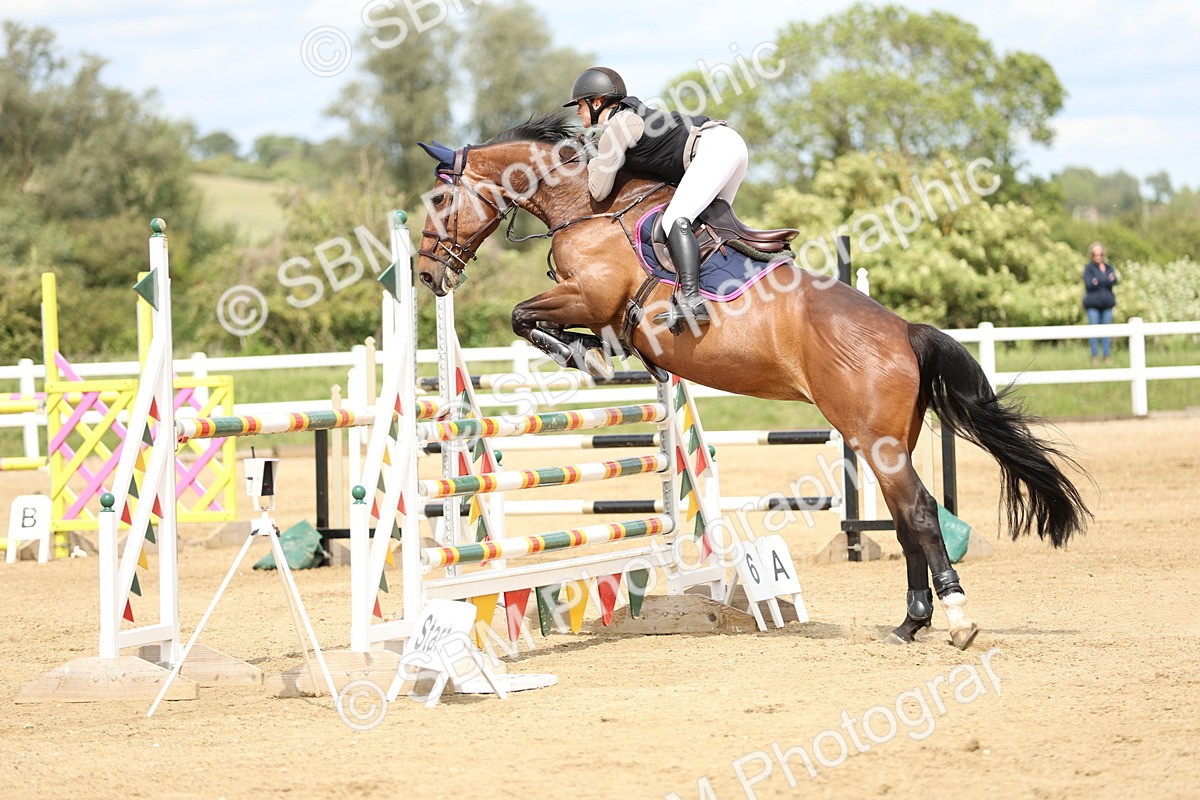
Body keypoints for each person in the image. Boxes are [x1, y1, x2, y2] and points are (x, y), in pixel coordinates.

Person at [563, 66, 749, 330]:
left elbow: (598, 191)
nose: (577, 111)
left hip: (715, 149)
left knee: (675, 219)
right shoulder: (629, 118)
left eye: (580, 104)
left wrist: (592, 159)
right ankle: (721, 293)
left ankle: (691, 301)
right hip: (728, 144)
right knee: (705, 228)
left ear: (597, 102)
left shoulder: (617, 125)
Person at [1081, 242, 1119, 364]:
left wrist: (1099, 281)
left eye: (1100, 254)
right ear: (1091, 255)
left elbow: (1115, 281)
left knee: (1107, 331)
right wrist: (1106, 280)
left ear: (1103, 255)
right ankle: (1094, 357)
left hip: (1107, 304)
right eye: (1095, 254)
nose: (1098, 256)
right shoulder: (1089, 268)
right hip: (1093, 305)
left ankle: (1107, 356)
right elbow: (1090, 284)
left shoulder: (1109, 267)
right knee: (1093, 331)